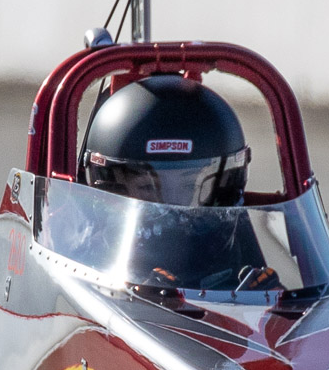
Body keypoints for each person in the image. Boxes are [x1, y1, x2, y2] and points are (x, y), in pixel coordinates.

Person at [79, 75, 276, 291]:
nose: (173, 206)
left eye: (191, 187)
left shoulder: (238, 258)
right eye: (147, 188)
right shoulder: (83, 261)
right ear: (110, 187)